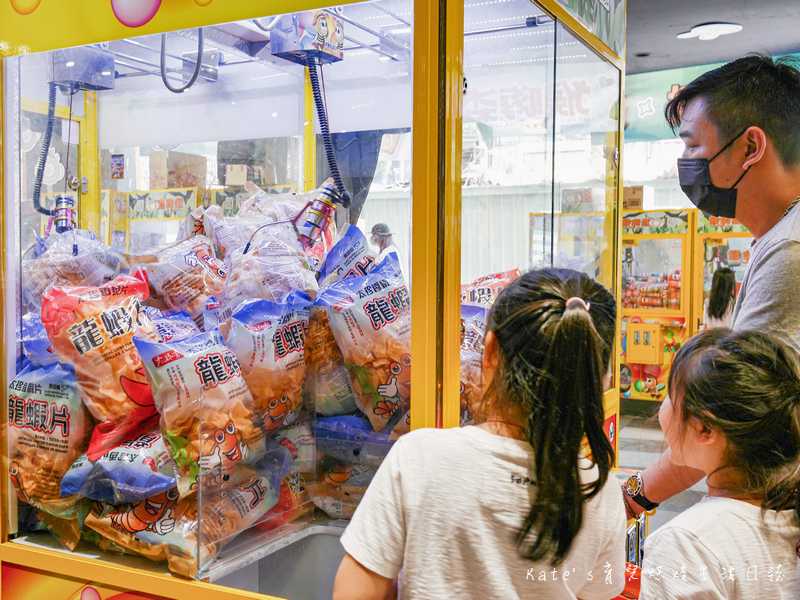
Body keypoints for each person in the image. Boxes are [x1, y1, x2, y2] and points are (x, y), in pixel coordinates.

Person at [333, 268, 626, 600]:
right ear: (596, 377)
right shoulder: (601, 492)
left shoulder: (419, 458)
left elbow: (353, 592)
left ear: (489, 352)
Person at [625, 54, 800, 519]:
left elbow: (732, 422)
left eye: (692, 146)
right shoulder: (780, 236)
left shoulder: (791, 249)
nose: (685, 164)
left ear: (750, 147)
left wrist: (630, 498)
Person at [639, 329, 800, 599]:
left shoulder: (686, 544)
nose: (661, 407)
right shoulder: (788, 516)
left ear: (704, 429)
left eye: (671, 393)